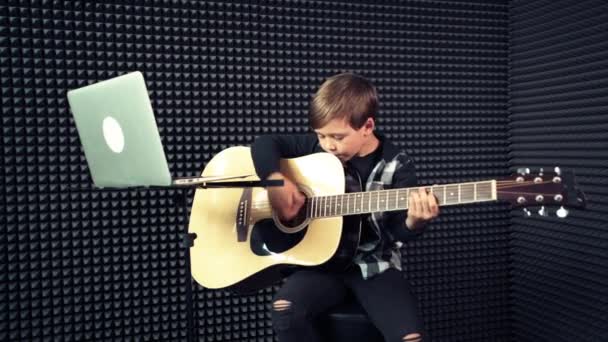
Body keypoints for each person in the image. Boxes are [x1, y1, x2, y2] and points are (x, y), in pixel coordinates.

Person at [250, 72, 439, 342]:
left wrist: (414, 222)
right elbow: (264, 144)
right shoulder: (317, 148)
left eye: (337, 137)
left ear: (367, 126)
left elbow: (398, 232)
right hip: (321, 265)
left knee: (410, 338)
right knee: (285, 310)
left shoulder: (396, 165)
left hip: (375, 267)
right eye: (321, 135)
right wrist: (274, 179)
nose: (328, 146)